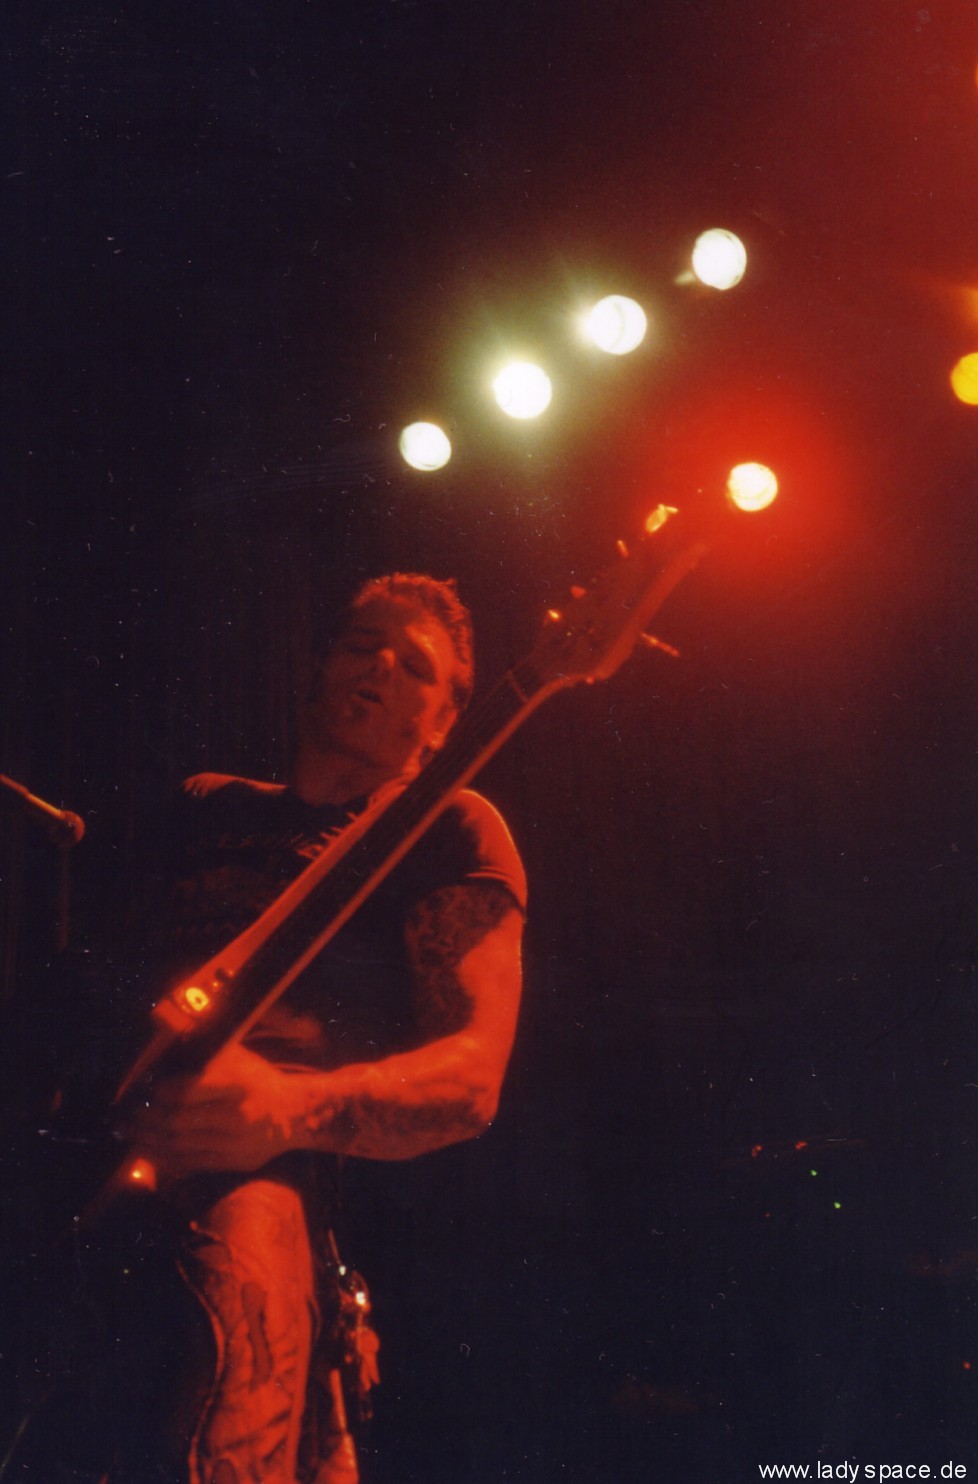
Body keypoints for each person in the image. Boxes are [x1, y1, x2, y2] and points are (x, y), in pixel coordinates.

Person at [113, 573, 527, 1483]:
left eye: (415, 666)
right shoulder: (205, 805)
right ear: (317, 665)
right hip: (101, 1146)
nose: (380, 666)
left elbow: (472, 1080)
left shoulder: (452, 828)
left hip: (274, 1178)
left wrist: (288, 1111)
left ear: (446, 723)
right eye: (361, 645)